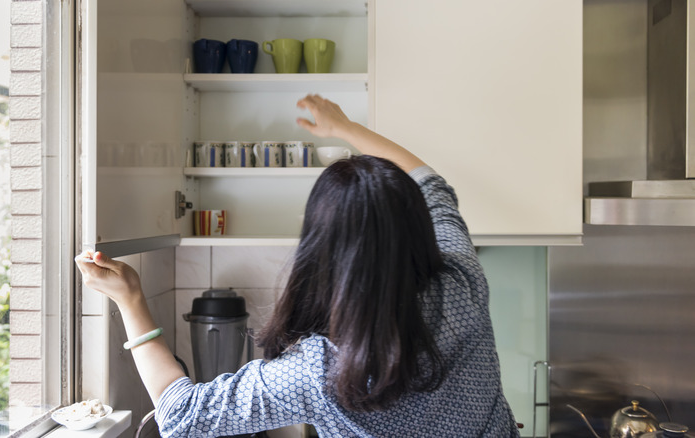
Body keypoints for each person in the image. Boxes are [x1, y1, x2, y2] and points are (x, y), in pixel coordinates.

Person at [75, 94, 520, 437]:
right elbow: (431, 183)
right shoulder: (463, 281)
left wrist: (130, 299)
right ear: (417, 225)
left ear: (320, 249)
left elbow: (181, 415)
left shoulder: (321, 370)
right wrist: (346, 128)